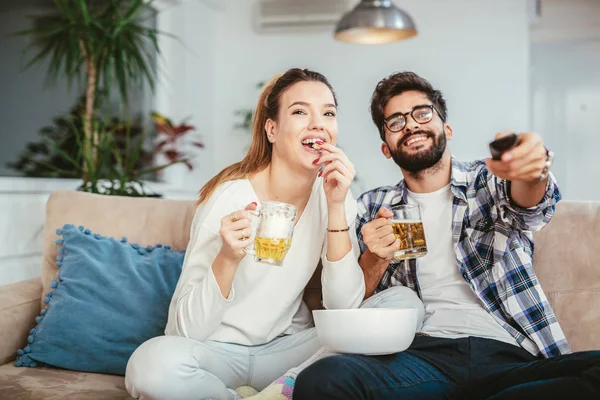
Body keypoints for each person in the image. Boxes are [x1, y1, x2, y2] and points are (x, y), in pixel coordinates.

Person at [293, 71, 600, 399]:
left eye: (422, 113)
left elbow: (530, 202)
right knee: (323, 379)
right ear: (386, 147)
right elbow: (350, 305)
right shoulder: (372, 206)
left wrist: (533, 169)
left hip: (511, 356)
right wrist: (375, 258)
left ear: (447, 129)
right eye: (395, 121)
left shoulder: (488, 182)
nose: (410, 124)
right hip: (422, 358)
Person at [124, 68, 367, 400]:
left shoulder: (334, 194)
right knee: (149, 366)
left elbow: (344, 309)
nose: (317, 123)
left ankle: (284, 385)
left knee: (401, 305)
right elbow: (182, 331)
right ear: (272, 128)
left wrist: (337, 206)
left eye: (328, 113)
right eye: (299, 111)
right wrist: (228, 257)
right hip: (219, 353)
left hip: (288, 350)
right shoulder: (230, 198)